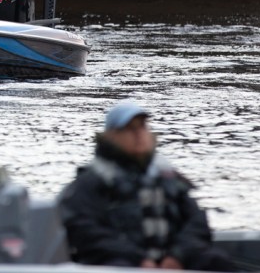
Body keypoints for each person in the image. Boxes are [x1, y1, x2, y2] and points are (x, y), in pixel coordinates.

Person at [59, 102, 239, 271]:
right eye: (130, 129)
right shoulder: (91, 181)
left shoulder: (168, 177)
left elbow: (196, 222)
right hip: (121, 262)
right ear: (112, 136)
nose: (138, 134)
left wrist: (178, 256)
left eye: (142, 127)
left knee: (216, 261)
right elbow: (86, 231)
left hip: (171, 261)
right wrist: (138, 260)